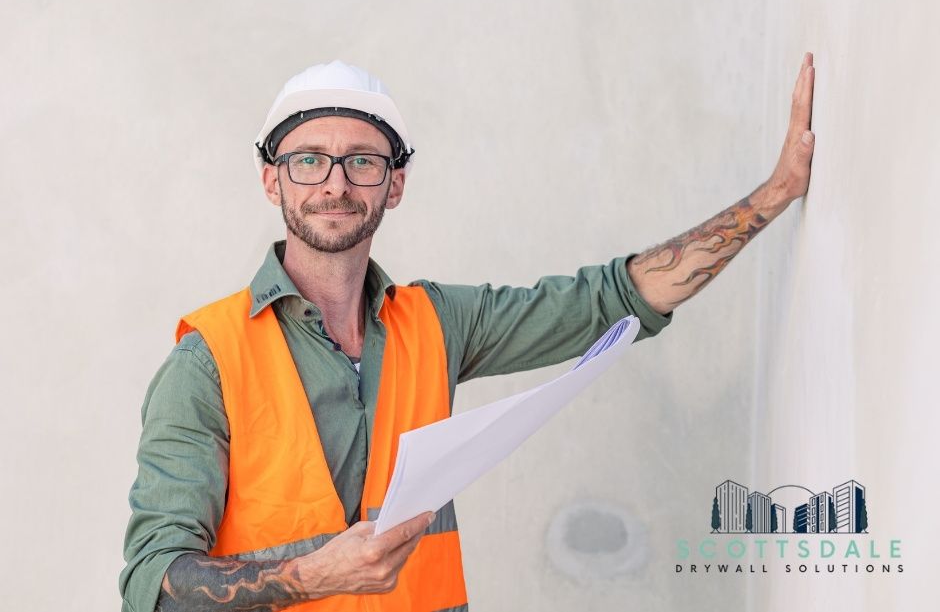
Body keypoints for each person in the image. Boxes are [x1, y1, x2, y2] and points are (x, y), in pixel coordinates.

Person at [120, 55, 816, 612]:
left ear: (394, 184)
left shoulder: (436, 323)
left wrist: (777, 192)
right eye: (308, 160)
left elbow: (611, 299)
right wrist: (309, 575)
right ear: (273, 181)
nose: (335, 182)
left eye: (363, 160)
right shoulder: (206, 359)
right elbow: (153, 583)